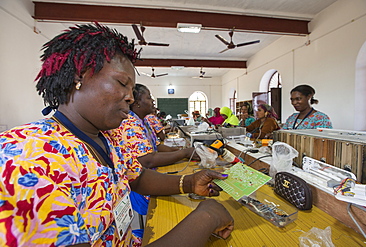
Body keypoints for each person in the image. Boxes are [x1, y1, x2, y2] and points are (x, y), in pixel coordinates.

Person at [0, 23, 233, 247]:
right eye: (122, 83)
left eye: (132, 90)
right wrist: (205, 219)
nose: (130, 98)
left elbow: (136, 177)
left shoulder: (103, 138)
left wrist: (190, 182)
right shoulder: (25, 159)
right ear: (79, 76)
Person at [110, 83, 198, 169]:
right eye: (149, 97)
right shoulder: (129, 123)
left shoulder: (144, 121)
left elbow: (157, 146)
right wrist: (184, 153)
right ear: (137, 103)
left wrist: (183, 152)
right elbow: (147, 160)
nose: (152, 101)